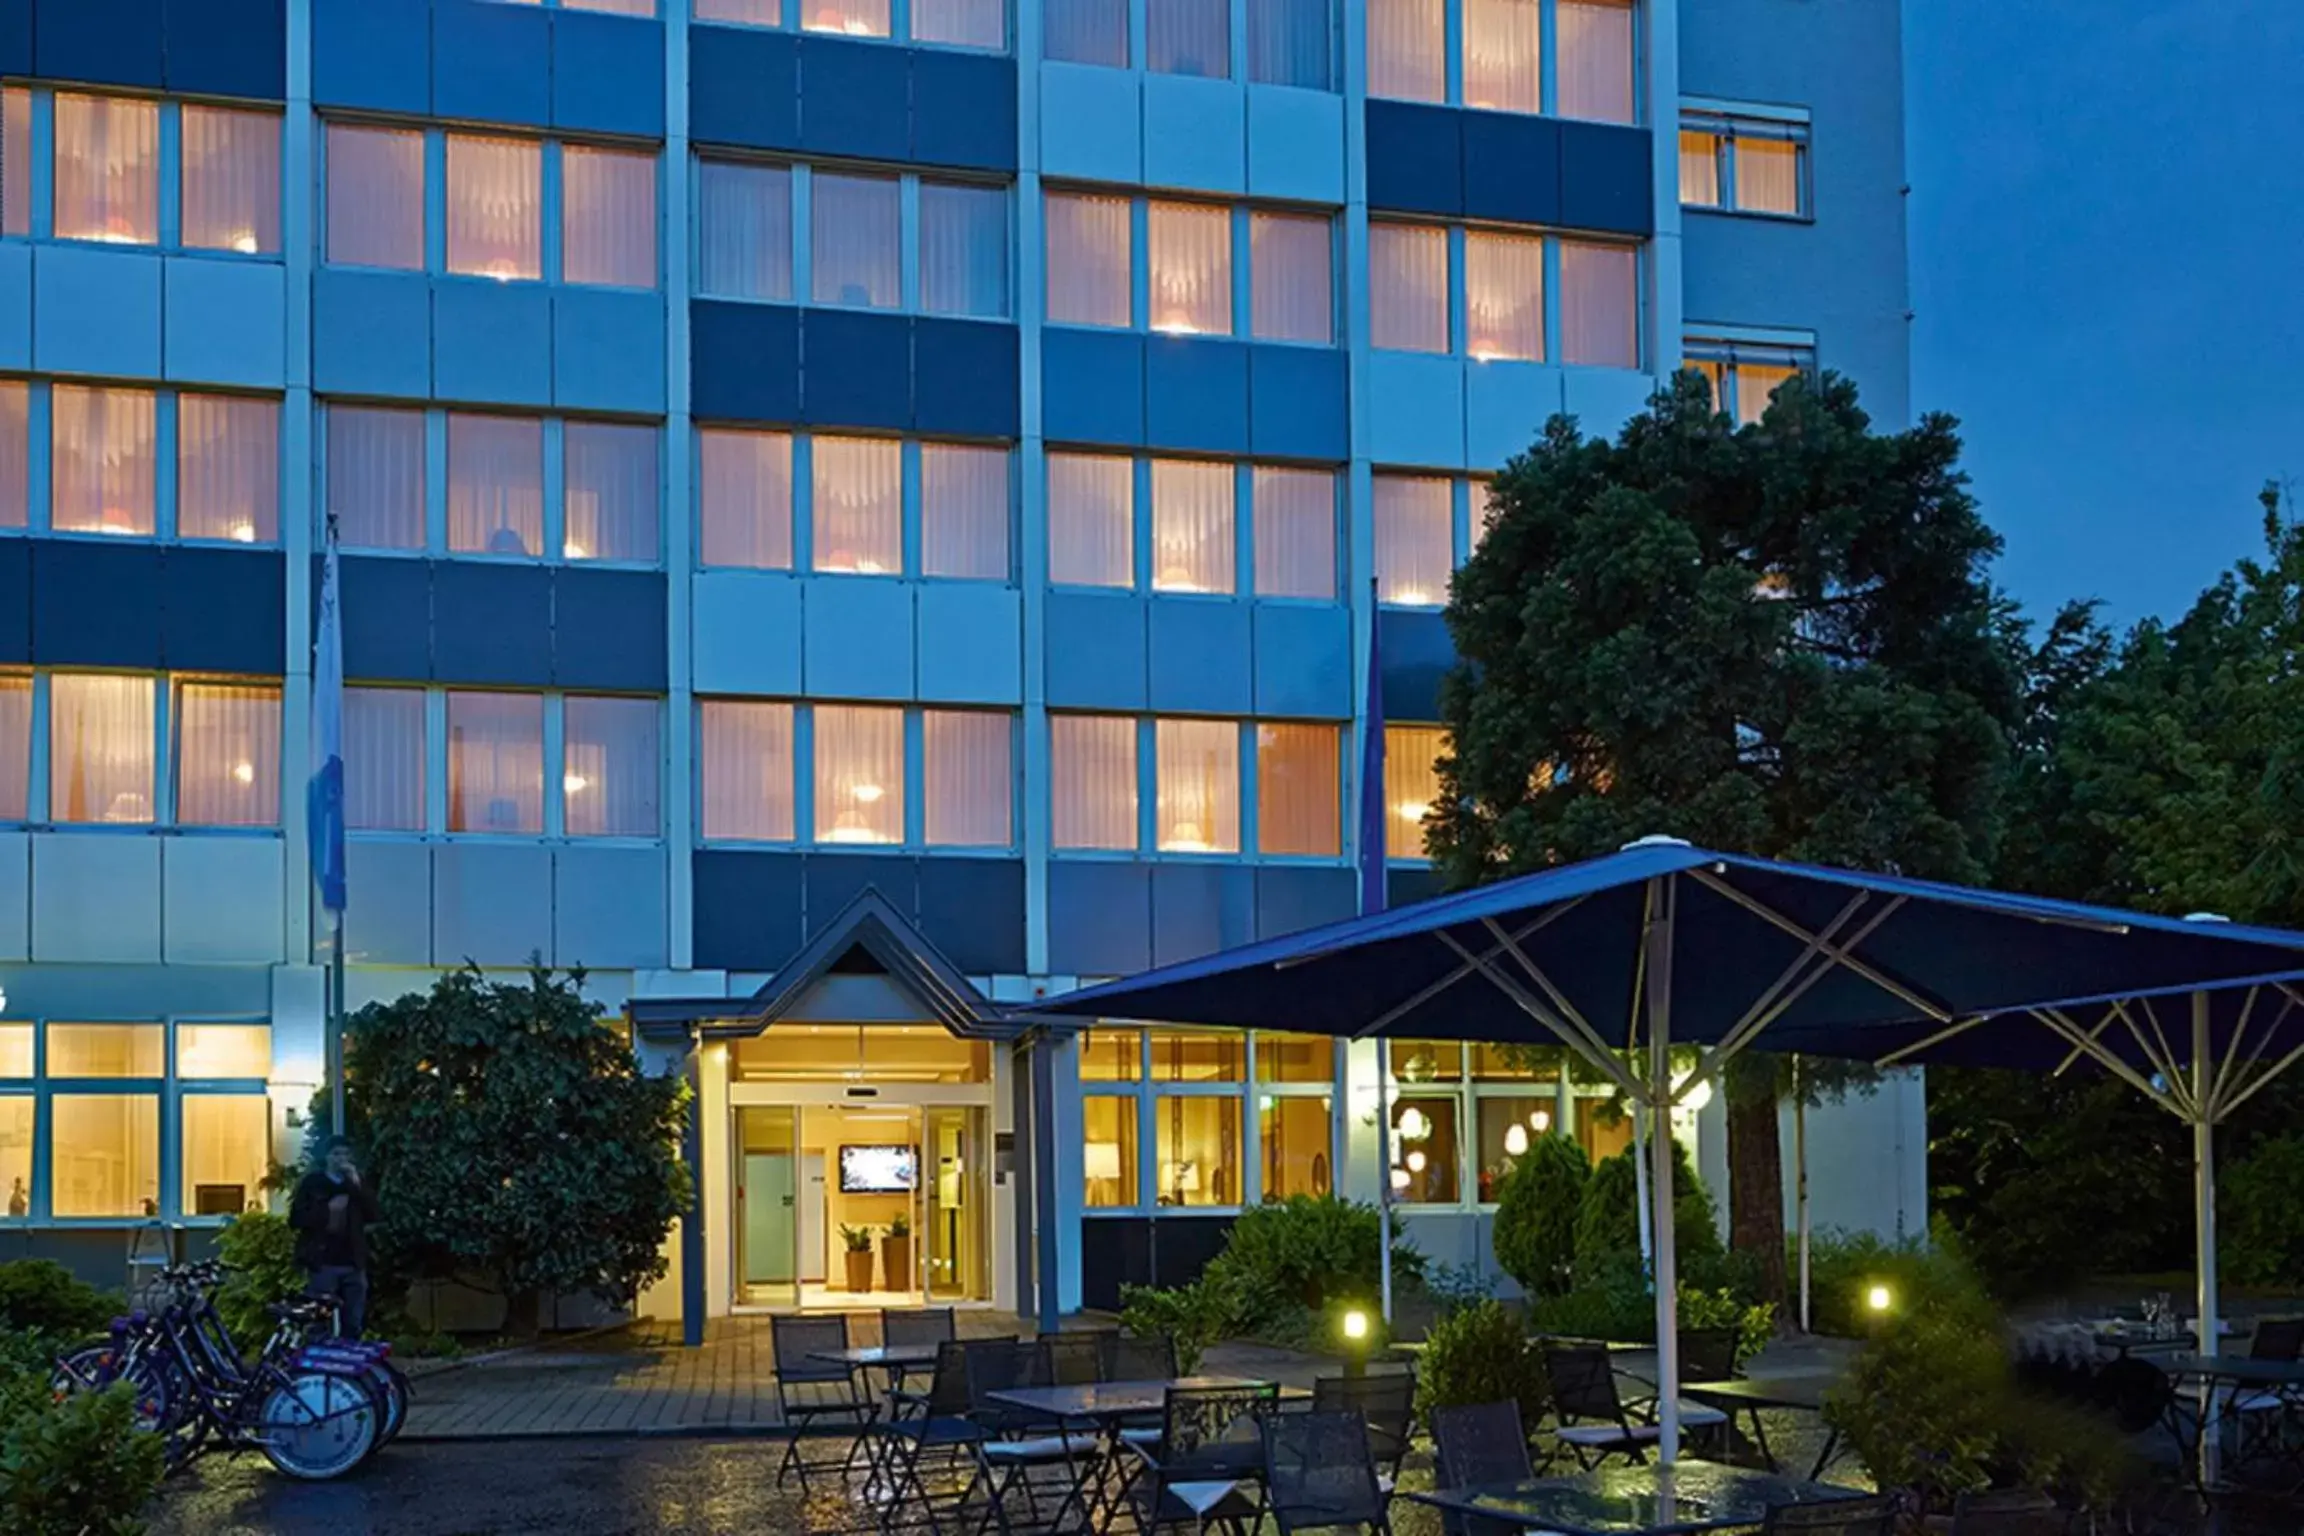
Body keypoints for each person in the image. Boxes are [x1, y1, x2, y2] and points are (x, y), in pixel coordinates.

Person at [290, 1138, 380, 1338]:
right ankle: (318, 1362)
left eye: (345, 1154)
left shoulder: (356, 1182)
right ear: (327, 1157)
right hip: (323, 1261)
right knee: (320, 1322)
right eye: (336, 1154)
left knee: (353, 1321)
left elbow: (374, 1214)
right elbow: (296, 1218)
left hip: (353, 1261)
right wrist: (327, 1212)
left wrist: (356, 1183)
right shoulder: (313, 1183)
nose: (341, 1159)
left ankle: (348, 1363)